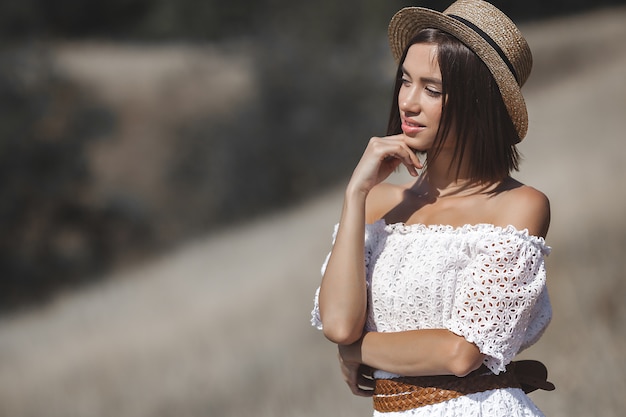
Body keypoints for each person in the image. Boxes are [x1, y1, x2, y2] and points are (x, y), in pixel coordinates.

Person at [311, 0, 556, 415]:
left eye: (432, 89)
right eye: (405, 82)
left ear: (477, 103)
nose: (408, 102)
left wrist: (358, 352)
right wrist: (355, 193)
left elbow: (461, 353)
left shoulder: (518, 207)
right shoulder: (377, 202)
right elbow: (339, 324)